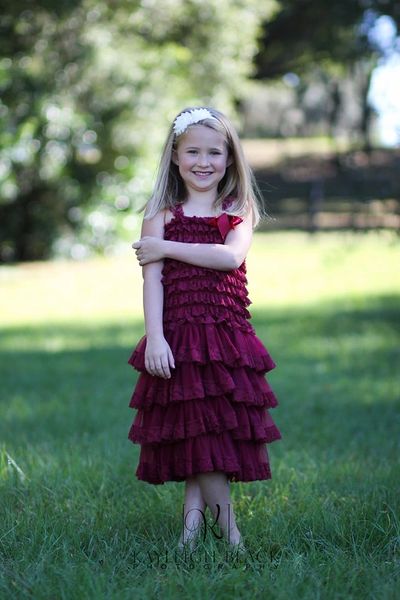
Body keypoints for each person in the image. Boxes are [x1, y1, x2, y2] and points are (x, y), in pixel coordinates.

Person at [128, 106, 281, 553]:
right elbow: (151, 280)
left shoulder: (238, 211)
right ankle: (229, 540)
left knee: (210, 432)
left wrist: (165, 247)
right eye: (192, 151)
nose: (203, 161)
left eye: (215, 152)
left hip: (227, 340)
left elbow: (229, 258)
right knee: (198, 431)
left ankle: (194, 538)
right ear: (175, 157)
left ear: (230, 159)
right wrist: (154, 336)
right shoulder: (159, 214)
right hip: (179, 339)